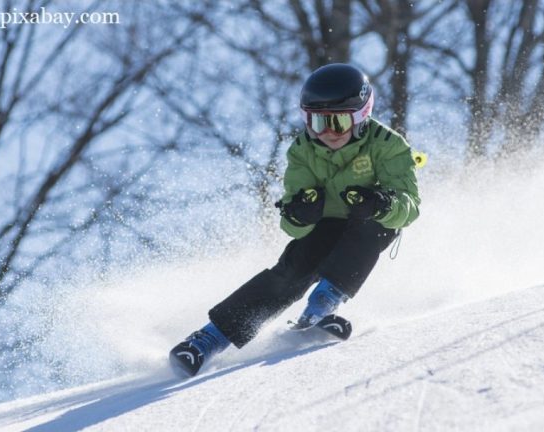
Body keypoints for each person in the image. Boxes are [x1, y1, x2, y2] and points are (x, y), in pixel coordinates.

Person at [169, 63, 421, 376]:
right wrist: (299, 214)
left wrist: (381, 203)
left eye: (338, 122)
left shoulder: (388, 145)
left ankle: (321, 306)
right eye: (317, 122)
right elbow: (291, 225)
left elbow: (410, 207)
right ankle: (208, 339)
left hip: (368, 221)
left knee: (376, 229)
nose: (327, 133)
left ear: (360, 116)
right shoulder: (302, 150)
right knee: (293, 269)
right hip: (325, 225)